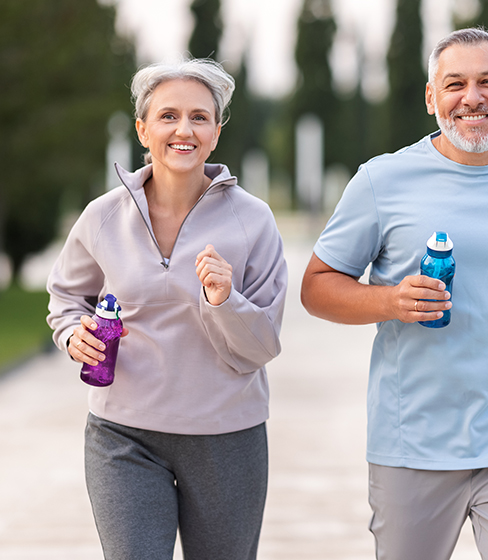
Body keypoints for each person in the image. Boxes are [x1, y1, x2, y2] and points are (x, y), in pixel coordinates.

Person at [300, 28, 488, 560]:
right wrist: (389, 301)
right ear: (432, 97)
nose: (472, 98)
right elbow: (316, 287)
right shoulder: (381, 180)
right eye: (454, 84)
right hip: (415, 440)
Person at [46, 58, 288, 560]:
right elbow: (67, 298)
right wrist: (73, 335)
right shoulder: (104, 215)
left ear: (217, 132)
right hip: (122, 434)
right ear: (143, 128)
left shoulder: (253, 221)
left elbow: (262, 344)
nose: (185, 129)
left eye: (200, 117)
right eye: (168, 116)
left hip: (227, 438)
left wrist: (225, 301)